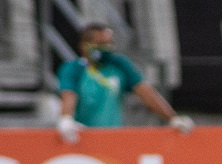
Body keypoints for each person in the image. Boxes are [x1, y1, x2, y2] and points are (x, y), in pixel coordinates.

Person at [56, 22, 194, 143]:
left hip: (113, 136)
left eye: (109, 43)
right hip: (82, 137)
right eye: (100, 44)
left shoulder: (118, 65)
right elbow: (69, 95)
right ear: (84, 46)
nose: (106, 48)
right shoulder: (74, 69)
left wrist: (172, 118)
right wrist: (66, 118)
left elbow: (146, 92)